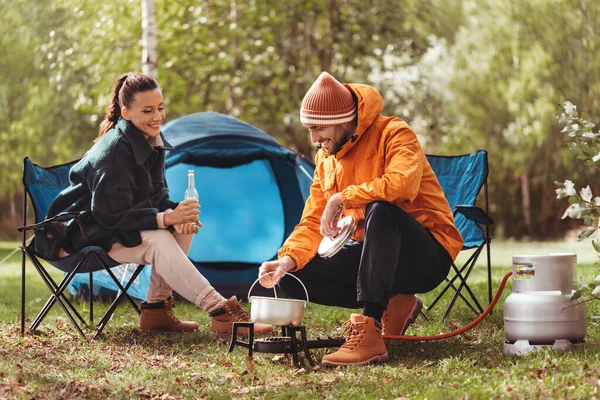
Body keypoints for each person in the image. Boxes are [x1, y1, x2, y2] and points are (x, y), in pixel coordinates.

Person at [258, 72, 463, 367]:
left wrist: (342, 198)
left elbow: (402, 184)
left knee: (380, 210)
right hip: (375, 260)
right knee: (292, 275)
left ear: (343, 119)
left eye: (317, 128)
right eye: (309, 129)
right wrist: (287, 260)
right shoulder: (325, 158)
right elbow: (312, 221)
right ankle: (396, 300)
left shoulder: (394, 132)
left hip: (427, 255)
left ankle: (369, 329)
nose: (314, 139)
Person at [46, 72, 272, 336]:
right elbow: (109, 215)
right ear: (126, 112)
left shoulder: (151, 141)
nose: (157, 117)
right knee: (158, 238)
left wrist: (177, 213)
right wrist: (164, 218)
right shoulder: (114, 152)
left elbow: (157, 198)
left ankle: (155, 310)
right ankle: (220, 311)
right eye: (148, 110)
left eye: (160, 108)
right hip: (78, 236)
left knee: (182, 227)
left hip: (110, 228)